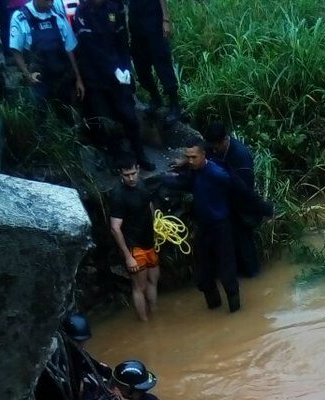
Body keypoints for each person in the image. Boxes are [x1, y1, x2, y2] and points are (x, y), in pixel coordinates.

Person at [161, 137, 250, 312]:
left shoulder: (218, 174)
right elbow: (185, 182)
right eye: (188, 157)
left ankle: (235, 313)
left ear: (203, 155)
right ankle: (214, 307)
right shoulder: (194, 170)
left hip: (221, 227)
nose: (190, 160)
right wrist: (170, 176)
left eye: (193, 157)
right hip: (204, 227)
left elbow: (239, 189)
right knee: (203, 274)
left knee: (227, 272)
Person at [72, 0, 154, 171]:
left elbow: (122, 40)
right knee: (105, 119)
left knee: (129, 117)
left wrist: (126, 69)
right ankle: (116, 157)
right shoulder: (82, 12)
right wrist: (113, 68)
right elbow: (91, 47)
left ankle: (140, 153)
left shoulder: (115, 8)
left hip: (118, 74)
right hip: (95, 75)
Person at [204, 121, 273, 278]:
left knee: (245, 245)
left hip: (242, 208)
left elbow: (245, 191)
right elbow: (204, 150)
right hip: (226, 206)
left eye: (216, 146)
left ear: (225, 140)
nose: (213, 150)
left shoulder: (241, 157)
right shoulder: (214, 147)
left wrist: (263, 208)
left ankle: (253, 277)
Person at [109, 156, 160, 321]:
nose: (131, 178)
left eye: (133, 173)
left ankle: (155, 316)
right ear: (121, 175)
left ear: (138, 169)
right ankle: (144, 322)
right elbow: (115, 228)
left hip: (149, 242)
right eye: (126, 175)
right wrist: (128, 257)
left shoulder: (142, 185)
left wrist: (157, 228)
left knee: (153, 280)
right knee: (140, 287)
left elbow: (149, 205)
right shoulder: (118, 195)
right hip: (134, 247)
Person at [9, 0, 84, 107]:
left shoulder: (58, 16)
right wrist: (27, 75)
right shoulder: (21, 17)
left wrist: (78, 78)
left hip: (61, 79)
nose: (51, 3)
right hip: (38, 82)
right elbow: (16, 50)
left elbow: (69, 48)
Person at [127, 0, 187, 124]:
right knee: (141, 68)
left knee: (162, 65)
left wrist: (165, 19)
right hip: (136, 25)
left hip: (153, 20)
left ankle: (175, 105)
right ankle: (155, 98)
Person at [61, 311, 112, 400]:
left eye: (83, 341)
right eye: (79, 341)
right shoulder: (63, 357)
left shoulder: (78, 353)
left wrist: (109, 373)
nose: (83, 344)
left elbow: (92, 365)